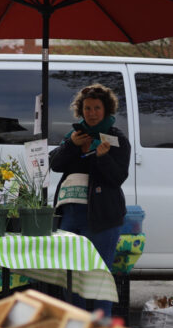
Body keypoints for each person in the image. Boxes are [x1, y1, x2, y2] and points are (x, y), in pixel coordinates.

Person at [49, 83, 131, 316]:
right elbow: (55, 165)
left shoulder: (116, 139)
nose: (92, 113)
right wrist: (71, 146)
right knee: (71, 277)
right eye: (87, 108)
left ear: (106, 110)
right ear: (80, 110)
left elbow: (117, 178)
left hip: (102, 218)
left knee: (98, 277)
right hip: (70, 216)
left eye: (97, 108)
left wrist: (103, 158)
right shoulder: (73, 136)